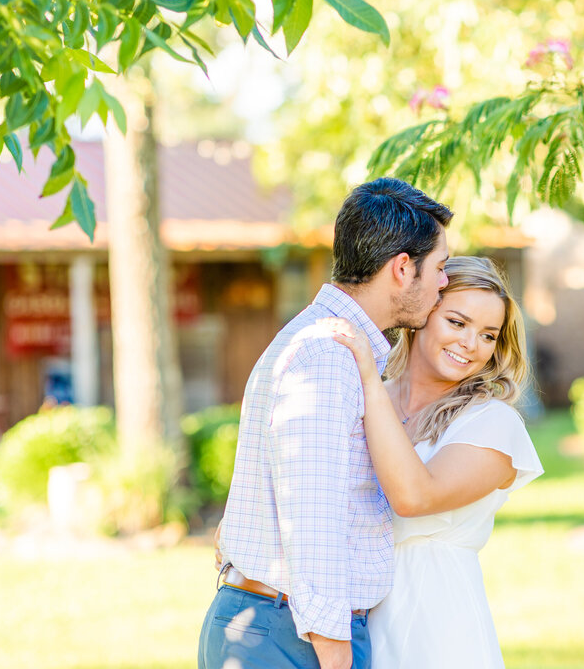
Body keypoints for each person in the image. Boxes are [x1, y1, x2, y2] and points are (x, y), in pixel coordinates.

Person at [197, 177, 453, 669]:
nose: (444, 283)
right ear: (403, 268)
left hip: (284, 625)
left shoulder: (327, 344)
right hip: (295, 635)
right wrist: (335, 653)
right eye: (439, 268)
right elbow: (312, 516)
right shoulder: (328, 355)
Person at [321, 255, 543, 669]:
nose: (470, 345)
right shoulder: (367, 395)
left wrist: (369, 375)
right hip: (352, 617)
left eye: (489, 335)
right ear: (424, 312)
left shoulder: (494, 425)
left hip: (437, 625)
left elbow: (414, 497)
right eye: (457, 323)